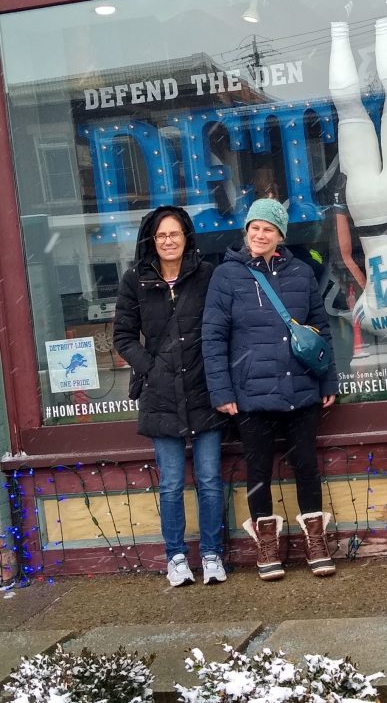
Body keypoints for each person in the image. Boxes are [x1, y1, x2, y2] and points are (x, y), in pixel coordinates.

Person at [202, 197, 339, 581]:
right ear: (246, 232)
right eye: (254, 228)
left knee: (306, 467)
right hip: (251, 393)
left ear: (280, 235)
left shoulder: (301, 273)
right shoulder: (226, 276)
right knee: (258, 469)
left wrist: (328, 379)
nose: (260, 234)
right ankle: (266, 545)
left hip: (301, 389)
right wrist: (222, 392)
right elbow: (212, 339)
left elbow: (320, 330)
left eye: (269, 229)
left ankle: (316, 541)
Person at [113, 205, 227, 588]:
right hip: (160, 395)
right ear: (152, 239)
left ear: (186, 237)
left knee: (210, 479)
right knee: (172, 483)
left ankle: (212, 554)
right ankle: (176, 557)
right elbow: (123, 337)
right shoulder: (136, 280)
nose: (168, 241)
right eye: (161, 235)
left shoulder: (206, 276)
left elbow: (222, 327)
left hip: (203, 389)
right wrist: (151, 369)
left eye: (175, 234)